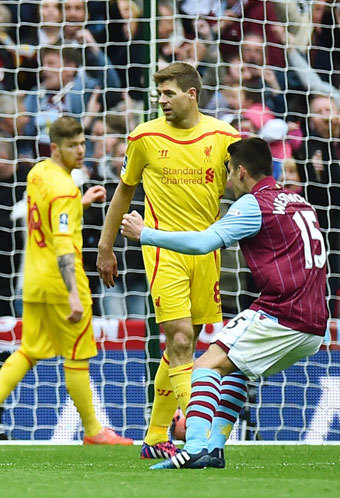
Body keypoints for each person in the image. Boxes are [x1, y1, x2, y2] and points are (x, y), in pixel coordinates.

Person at [120, 138, 328, 469]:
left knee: (202, 368)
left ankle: (197, 445)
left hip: (283, 312)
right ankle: (215, 449)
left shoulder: (253, 204)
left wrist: (146, 234)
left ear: (241, 171)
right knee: (234, 371)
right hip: (316, 323)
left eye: (229, 173)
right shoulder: (298, 201)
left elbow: (204, 242)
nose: (228, 181)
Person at [96, 62, 240, 459]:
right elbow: (123, 193)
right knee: (178, 339)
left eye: (168, 93)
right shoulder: (143, 137)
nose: (161, 101)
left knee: (187, 342)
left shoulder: (225, 136)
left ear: (191, 95)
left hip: (208, 250)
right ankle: (200, 440)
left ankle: (156, 434)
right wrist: (105, 247)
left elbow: (247, 189)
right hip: (162, 251)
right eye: (158, 93)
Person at [0, 116, 130, 446]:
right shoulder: (64, 188)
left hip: (33, 280)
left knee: (29, 350)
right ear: (55, 148)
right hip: (61, 283)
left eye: (83, 143)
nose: (81, 151)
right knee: (77, 355)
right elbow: (61, 243)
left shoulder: (38, 173)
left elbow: (48, 214)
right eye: (73, 146)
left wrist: (79, 203)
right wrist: (73, 293)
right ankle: (92, 430)